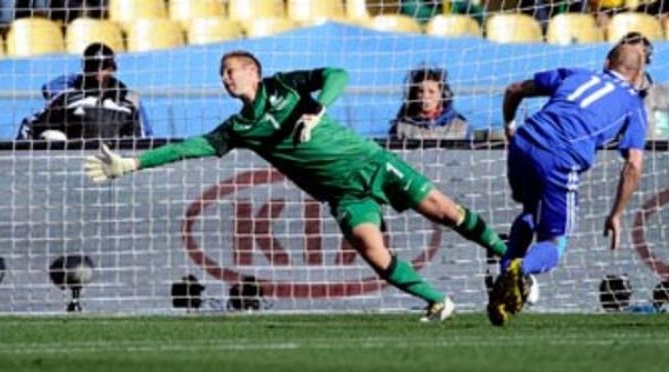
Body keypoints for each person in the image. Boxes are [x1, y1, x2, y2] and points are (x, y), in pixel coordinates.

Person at [84, 50, 509, 322]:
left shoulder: (286, 86)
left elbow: (337, 73)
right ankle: (439, 301)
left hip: (372, 164)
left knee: (446, 212)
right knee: (375, 254)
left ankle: (509, 258)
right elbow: (189, 148)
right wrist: (133, 162)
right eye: (221, 74)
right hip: (344, 194)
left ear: (253, 72)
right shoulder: (241, 127)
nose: (224, 79)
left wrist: (316, 109)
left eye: (229, 71)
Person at [489, 45, 647, 326]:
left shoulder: (576, 75)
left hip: (523, 142)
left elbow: (514, 89)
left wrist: (510, 126)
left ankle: (503, 286)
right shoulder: (633, 104)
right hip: (560, 158)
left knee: (530, 211)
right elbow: (634, 164)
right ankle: (519, 268)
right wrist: (617, 214)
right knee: (555, 242)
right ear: (638, 75)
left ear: (607, 62)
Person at [17, 42, 150, 140]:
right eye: (92, 66)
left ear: (112, 68)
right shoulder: (68, 97)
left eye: (102, 67)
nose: (97, 72)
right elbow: (30, 125)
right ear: (84, 69)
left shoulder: (129, 101)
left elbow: (144, 138)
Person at [609, 32, 669, 142]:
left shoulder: (660, 95)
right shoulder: (608, 91)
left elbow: (663, 136)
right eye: (628, 56)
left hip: (653, 155)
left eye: (637, 55)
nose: (632, 60)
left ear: (647, 59)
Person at [389, 67, 473, 140]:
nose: (425, 96)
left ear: (442, 94)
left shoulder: (461, 127)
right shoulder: (400, 127)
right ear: (414, 94)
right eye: (421, 91)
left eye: (431, 92)